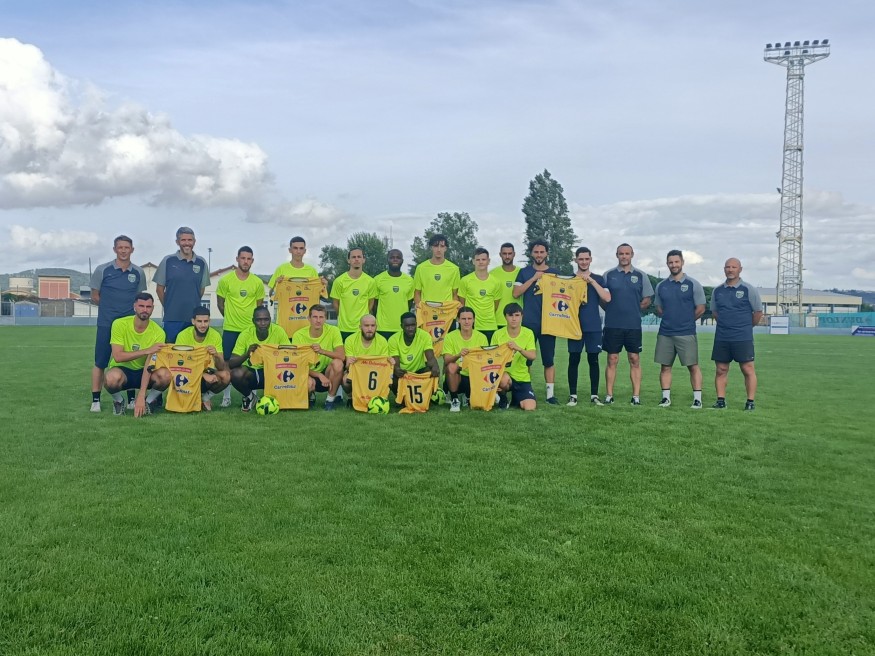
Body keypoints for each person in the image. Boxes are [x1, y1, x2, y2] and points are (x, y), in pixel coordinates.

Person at [89, 235, 147, 412]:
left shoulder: (138, 272)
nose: (123, 251)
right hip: (106, 323)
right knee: (100, 361)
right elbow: (95, 296)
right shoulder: (102, 270)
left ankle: (131, 399)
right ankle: (96, 401)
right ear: (115, 249)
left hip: (128, 326)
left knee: (129, 360)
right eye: (120, 247)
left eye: (126, 247)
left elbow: (139, 298)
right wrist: (111, 309)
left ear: (132, 250)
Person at [141, 306, 230, 414]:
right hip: (186, 377)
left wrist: (216, 355)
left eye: (206, 321)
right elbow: (179, 365)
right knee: (166, 374)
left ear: (209, 321)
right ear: (193, 321)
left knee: (226, 376)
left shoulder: (215, 335)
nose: (203, 325)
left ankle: (204, 398)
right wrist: (203, 375)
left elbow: (221, 367)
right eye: (199, 321)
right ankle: (150, 401)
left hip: (205, 376)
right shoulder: (183, 335)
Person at [601, 243, 654, 405]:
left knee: (634, 358)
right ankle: (609, 395)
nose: (624, 256)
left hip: (633, 325)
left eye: (627, 253)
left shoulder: (641, 275)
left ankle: (636, 396)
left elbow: (647, 299)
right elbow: (602, 298)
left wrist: (633, 309)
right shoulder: (608, 275)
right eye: (621, 254)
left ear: (632, 255)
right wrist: (612, 309)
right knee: (612, 359)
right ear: (616, 255)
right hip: (612, 324)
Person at [654, 250, 707, 409]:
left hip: (686, 332)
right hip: (666, 333)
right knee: (665, 366)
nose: (674, 265)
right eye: (670, 262)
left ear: (682, 262)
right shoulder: (661, 286)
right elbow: (659, 308)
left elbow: (701, 308)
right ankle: (665, 398)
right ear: (667, 264)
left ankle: (697, 399)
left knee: (693, 366)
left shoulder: (693, 284)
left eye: (676, 262)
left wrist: (686, 321)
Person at [710, 258, 763, 411]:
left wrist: (745, 327)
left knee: (747, 369)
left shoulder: (749, 289)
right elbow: (715, 312)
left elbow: (758, 313)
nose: (730, 269)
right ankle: (721, 401)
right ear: (724, 269)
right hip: (722, 337)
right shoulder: (717, 291)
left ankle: (750, 402)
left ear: (740, 269)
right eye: (728, 267)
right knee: (721, 369)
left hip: (742, 337)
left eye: (734, 267)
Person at [216, 246, 265, 407]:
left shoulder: (257, 282)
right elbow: (220, 304)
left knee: (253, 361)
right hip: (231, 328)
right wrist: (231, 318)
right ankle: (227, 396)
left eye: (249, 259)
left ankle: (252, 395)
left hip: (250, 330)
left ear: (252, 261)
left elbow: (259, 307)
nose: (245, 261)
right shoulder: (225, 280)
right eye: (243, 258)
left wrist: (251, 324)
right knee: (228, 363)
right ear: (237, 259)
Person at [102, 293, 166, 415]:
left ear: (152, 308)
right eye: (141, 306)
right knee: (110, 379)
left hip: (145, 371)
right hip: (123, 370)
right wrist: (146, 350)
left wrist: (141, 395)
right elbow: (118, 356)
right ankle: (119, 401)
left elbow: (149, 365)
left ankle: (148, 401)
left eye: (148, 306)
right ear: (134, 307)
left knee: (165, 375)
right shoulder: (119, 324)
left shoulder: (159, 332)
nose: (145, 310)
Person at [512, 240, 559, 404]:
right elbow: (516, 293)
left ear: (547, 253)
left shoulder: (555, 273)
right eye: (536, 252)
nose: (539, 255)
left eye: (542, 252)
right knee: (526, 360)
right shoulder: (524, 272)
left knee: (548, 360)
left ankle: (550, 395)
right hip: (529, 323)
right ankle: (526, 390)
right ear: (531, 253)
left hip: (549, 323)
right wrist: (533, 278)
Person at [566, 247, 611, 407]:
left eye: (586, 259)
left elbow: (607, 297)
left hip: (593, 326)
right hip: (574, 327)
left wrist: (591, 281)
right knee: (574, 359)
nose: (584, 262)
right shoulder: (570, 279)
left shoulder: (598, 279)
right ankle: (573, 395)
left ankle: (594, 395)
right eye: (581, 259)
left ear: (591, 259)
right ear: (576, 260)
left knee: (593, 360)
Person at [153, 226, 211, 343]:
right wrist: (169, 307)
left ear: (194, 241)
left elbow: (201, 289)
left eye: (190, 240)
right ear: (177, 242)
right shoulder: (168, 260)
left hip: (193, 319)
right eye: (183, 240)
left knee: (192, 351)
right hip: (172, 319)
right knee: (172, 350)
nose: (187, 243)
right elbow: (159, 289)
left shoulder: (201, 262)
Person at [228, 306, 290, 412]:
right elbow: (231, 363)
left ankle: (283, 398)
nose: (263, 323)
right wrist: (247, 354)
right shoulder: (246, 334)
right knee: (235, 373)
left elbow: (289, 355)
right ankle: (251, 397)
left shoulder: (279, 331)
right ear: (253, 321)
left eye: (266, 319)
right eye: (259, 320)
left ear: (270, 320)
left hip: (275, 372)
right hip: (254, 373)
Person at [291, 304, 345, 410]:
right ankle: (310, 395)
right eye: (315, 317)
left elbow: (342, 356)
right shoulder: (298, 335)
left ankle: (330, 400)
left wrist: (322, 351)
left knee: (338, 363)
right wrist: (319, 375)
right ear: (309, 318)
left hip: (327, 372)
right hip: (308, 372)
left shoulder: (333, 330)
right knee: (309, 384)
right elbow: (297, 365)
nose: (318, 320)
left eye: (321, 317)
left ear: (325, 318)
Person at [491, 303, 538, 411]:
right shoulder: (497, 334)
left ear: (522, 316)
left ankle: (516, 399)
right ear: (505, 317)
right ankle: (503, 398)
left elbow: (532, 356)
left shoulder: (528, 333)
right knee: (503, 379)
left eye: (517, 315)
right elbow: (492, 359)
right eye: (510, 315)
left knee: (530, 407)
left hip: (522, 377)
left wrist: (519, 349)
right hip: (504, 375)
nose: (514, 319)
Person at [442, 306, 489, 411]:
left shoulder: (482, 337)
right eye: (463, 319)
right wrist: (458, 355)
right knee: (451, 366)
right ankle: (454, 400)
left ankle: (468, 396)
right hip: (457, 376)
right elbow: (446, 360)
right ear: (458, 320)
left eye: (469, 318)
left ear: (474, 320)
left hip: (474, 376)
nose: (467, 322)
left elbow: (486, 361)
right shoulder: (450, 336)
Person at [388, 312, 440, 399]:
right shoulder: (393, 339)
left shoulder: (424, 336)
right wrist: (397, 370)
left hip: (419, 372)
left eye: (413, 325)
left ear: (416, 324)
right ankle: (402, 399)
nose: (410, 328)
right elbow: (396, 365)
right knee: (390, 375)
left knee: (433, 369)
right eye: (407, 326)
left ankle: (427, 396)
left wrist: (435, 366)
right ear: (401, 326)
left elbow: (430, 358)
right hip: (403, 373)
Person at [341, 314, 390, 401]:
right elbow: (348, 366)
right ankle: (351, 398)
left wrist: (390, 361)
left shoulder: (382, 341)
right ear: (360, 327)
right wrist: (351, 363)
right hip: (357, 373)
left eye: (372, 325)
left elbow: (384, 366)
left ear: (376, 327)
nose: (370, 329)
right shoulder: (350, 340)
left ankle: (378, 398)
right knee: (345, 379)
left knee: (389, 378)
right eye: (366, 326)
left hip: (375, 374)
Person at [330, 247, 376, 342]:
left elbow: (370, 303)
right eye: (353, 257)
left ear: (363, 260)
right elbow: (335, 303)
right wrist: (344, 317)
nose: (356, 259)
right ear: (348, 260)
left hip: (362, 329)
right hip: (344, 328)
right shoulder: (339, 281)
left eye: (359, 257)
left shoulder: (370, 281)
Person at [458, 248, 501, 343]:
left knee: (490, 352)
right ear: (473, 261)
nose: (481, 262)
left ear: (488, 261)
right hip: (471, 326)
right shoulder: (465, 280)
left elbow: (496, 305)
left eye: (483, 259)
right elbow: (462, 304)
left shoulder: (496, 282)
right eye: (478, 260)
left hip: (490, 325)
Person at [373, 249, 414, 341]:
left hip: (402, 328)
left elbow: (409, 303)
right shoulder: (378, 279)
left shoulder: (409, 280)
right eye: (392, 257)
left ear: (402, 261)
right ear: (387, 260)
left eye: (398, 258)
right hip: (382, 328)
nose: (395, 259)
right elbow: (374, 304)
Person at [413, 234, 460, 307]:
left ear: (446, 248)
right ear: (431, 247)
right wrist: (419, 306)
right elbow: (417, 292)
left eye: (442, 246)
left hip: (446, 310)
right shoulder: (421, 268)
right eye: (436, 246)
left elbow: (455, 294)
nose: (439, 249)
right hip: (427, 310)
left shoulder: (454, 269)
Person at [489, 242, 520, 331]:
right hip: (497, 320)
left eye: (509, 253)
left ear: (514, 254)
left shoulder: (521, 272)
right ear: (500, 254)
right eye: (504, 254)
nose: (507, 256)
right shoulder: (492, 274)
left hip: (517, 321)